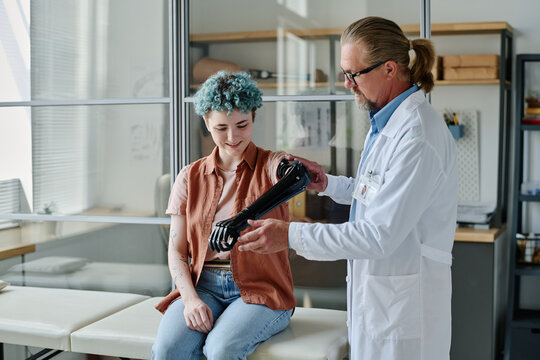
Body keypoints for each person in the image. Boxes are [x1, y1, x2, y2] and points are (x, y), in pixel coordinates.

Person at [237, 16, 458, 360]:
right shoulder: (384, 120)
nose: (347, 84)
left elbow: (378, 235)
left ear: (389, 69)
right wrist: (326, 183)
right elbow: (377, 192)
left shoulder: (417, 136)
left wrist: (290, 235)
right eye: (345, 73)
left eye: (354, 74)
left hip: (405, 315)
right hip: (381, 304)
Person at [152, 71, 296, 360]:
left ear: (253, 117)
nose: (232, 137)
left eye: (241, 125)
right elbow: (177, 252)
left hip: (262, 289)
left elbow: (292, 173)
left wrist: (288, 167)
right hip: (203, 285)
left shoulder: (271, 165)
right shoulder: (188, 177)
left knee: (221, 349)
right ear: (206, 122)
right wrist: (191, 301)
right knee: (167, 350)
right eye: (221, 128)